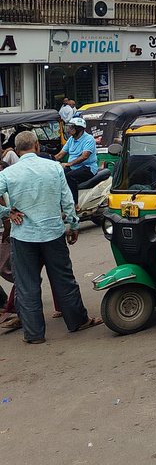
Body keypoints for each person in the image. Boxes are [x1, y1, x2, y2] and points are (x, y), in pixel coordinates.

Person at [0, 130, 100, 343]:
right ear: (37, 146)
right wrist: (73, 225)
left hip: (23, 236)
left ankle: (34, 334)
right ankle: (77, 321)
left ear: (16, 150)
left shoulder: (8, 173)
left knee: (27, 285)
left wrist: (7, 212)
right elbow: (67, 200)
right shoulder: (54, 167)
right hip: (53, 233)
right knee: (64, 279)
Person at [55, 116, 98, 200]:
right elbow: (60, 155)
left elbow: (84, 156)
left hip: (88, 168)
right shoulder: (71, 139)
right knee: (57, 174)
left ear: (78, 129)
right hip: (73, 167)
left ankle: (74, 203)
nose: (68, 130)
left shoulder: (89, 139)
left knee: (69, 177)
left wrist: (69, 164)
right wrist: (48, 161)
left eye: (71, 127)